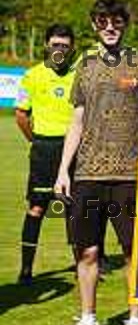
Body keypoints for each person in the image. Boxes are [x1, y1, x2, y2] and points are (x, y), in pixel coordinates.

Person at [53, 0, 138, 325]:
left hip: (131, 176)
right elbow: (77, 119)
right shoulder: (86, 65)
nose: (109, 28)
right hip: (86, 175)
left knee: (133, 252)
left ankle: (135, 322)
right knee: (87, 252)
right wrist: (63, 169)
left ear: (125, 24)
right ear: (94, 25)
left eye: (115, 22)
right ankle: (89, 321)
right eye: (102, 22)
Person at [15, 24, 77, 285]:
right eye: (55, 45)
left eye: (64, 45)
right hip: (44, 150)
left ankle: (81, 263)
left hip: (73, 149)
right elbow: (21, 115)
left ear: (72, 48)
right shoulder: (32, 76)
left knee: (73, 208)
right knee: (38, 207)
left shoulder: (78, 76)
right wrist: (37, 141)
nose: (59, 50)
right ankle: (26, 269)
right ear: (46, 46)